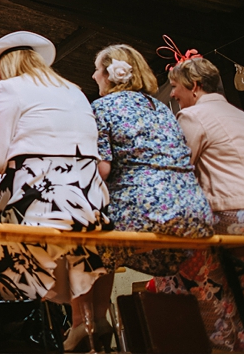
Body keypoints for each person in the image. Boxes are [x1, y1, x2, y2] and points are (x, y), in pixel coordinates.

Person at [0, 32, 110, 347]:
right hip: (90, 196)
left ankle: (4, 323)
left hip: (43, 195)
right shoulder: (73, 90)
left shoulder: (8, 88)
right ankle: (83, 323)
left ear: (7, 67)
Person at [76, 44, 214, 350]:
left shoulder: (100, 108)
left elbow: (102, 169)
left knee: (84, 239)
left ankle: (88, 322)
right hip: (192, 210)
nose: (94, 75)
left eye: (98, 69)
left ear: (110, 75)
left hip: (143, 210)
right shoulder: (161, 108)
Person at [152, 48, 244, 352]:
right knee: (226, 267)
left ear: (194, 85)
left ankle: (220, 342)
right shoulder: (241, 114)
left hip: (233, 213)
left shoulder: (192, 115)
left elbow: (178, 172)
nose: (174, 94)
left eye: (176, 87)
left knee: (175, 258)